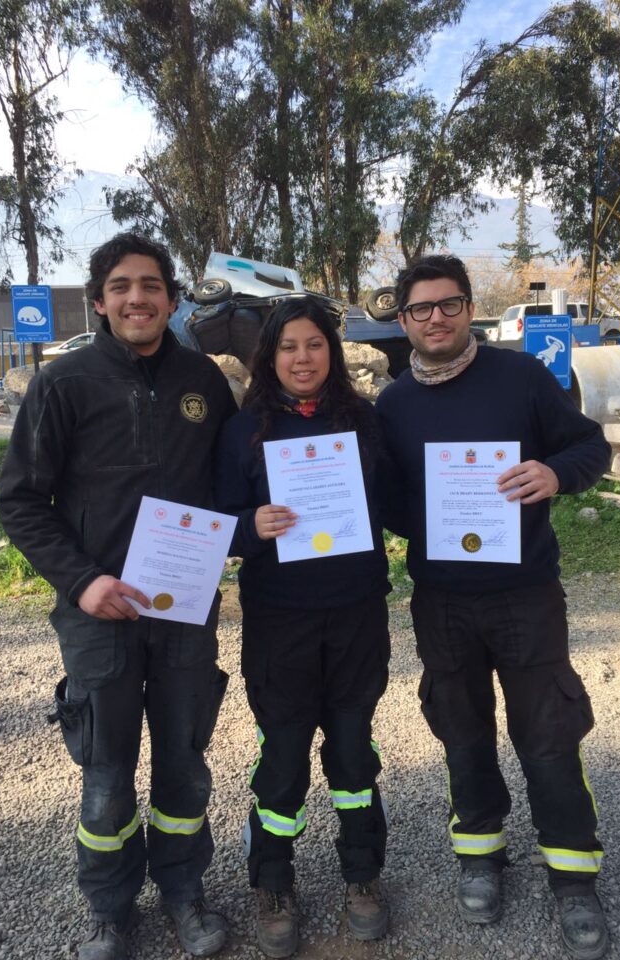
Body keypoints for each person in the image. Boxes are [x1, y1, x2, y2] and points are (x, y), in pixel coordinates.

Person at [0, 233, 238, 960]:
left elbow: (233, 484)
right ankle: (108, 906)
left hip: (184, 611)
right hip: (98, 614)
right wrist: (84, 581)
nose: (139, 298)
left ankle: (184, 892)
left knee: (185, 763)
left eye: (152, 286)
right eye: (123, 287)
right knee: (106, 775)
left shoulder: (204, 380)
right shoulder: (63, 384)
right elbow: (21, 501)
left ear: (171, 298)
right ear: (100, 302)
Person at [375, 255, 612, 960]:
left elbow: (589, 446)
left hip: (525, 593)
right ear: (405, 320)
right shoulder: (393, 404)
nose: (436, 319)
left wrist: (555, 472)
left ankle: (573, 875)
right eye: (421, 309)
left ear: (468, 308)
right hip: (443, 598)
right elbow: (387, 497)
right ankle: (481, 854)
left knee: (548, 731)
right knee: (462, 729)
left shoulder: (522, 378)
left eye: (448, 305)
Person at [214, 296, 391, 958]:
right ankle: (272, 883)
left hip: (355, 613)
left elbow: (400, 500)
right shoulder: (243, 431)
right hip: (278, 619)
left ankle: (363, 877)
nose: (303, 357)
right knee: (282, 755)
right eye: (288, 347)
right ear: (269, 357)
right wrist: (247, 527)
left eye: (314, 344)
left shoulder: (364, 422)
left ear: (331, 352)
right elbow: (219, 514)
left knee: (352, 751)